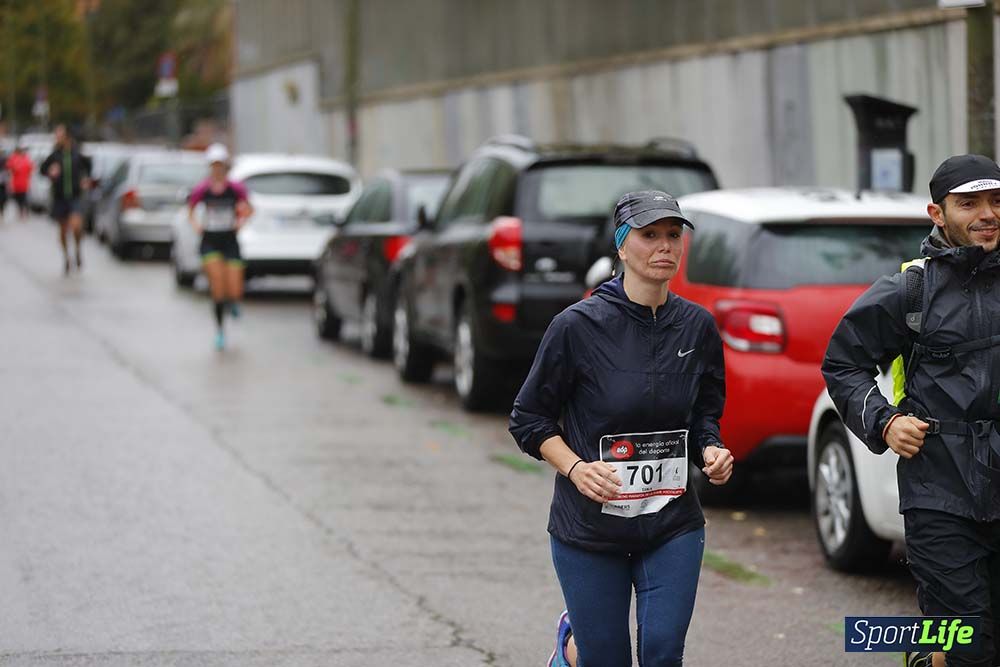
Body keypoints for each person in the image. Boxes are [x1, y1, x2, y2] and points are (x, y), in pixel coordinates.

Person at [509, 190, 733, 667]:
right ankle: (574, 646)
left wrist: (711, 451)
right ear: (621, 245)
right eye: (649, 235)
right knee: (605, 658)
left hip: (672, 523)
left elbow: (703, 416)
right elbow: (529, 418)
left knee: (662, 652)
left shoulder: (697, 328)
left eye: (673, 235)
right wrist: (575, 468)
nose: (665, 247)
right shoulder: (577, 326)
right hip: (590, 527)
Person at [823, 154, 1000, 667]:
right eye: (969, 204)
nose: (987, 213)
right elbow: (843, 365)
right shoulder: (909, 289)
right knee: (970, 645)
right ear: (937, 213)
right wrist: (885, 420)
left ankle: (928, 655)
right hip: (938, 490)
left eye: (995, 201)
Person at [187, 143, 252, 350]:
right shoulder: (202, 189)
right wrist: (197, 226)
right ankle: (220, 331)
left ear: (225, 166)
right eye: (213, 165)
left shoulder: (235, 188)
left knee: (234, 288)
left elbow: (249, 209)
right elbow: (190, 210)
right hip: (210, 241)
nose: (217, 169)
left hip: (230, 241)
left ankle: (233, 302)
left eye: (220, 165)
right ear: (210, 166)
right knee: (218, 285)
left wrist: (240, 222)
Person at [39, 125, 92, 274]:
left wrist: (86, 180)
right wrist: (50, 172)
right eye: (56, 135)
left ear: (67, 137)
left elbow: (89, 167)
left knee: (76, 226)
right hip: (60, 197)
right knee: (62, 231)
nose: (57, 137)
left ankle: (77, 250)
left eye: (59, 134)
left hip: (75, 196)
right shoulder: (55, 155)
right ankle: (66, 257)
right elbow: (42, 170)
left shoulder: (77, 154)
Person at [6, 144, 34, 220]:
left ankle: (23, 212)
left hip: (24, 183)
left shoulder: (26, 159)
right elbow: (9, 168)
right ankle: (20, 212)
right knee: (17, 199)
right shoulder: (13, 158)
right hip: (16, 184)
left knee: (24, 199)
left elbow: (31, 168)